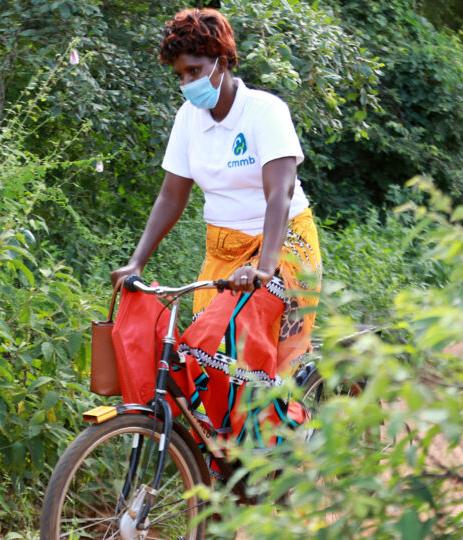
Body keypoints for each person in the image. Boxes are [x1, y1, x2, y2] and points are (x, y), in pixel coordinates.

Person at [110, 8, 321, 446]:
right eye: (180, 76)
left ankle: (286, 447)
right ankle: (228, 477)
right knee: (206, 370)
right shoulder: (188, 119)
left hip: (282, 247)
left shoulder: (265, 112)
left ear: (221, 62)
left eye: (195, 71)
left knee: (220, 341)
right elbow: (172, 195)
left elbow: (278, 195)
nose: (187, 84)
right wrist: (135, 262)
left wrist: (263, 269)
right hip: (223, 254)